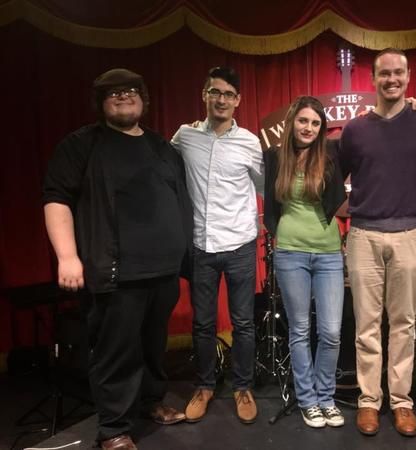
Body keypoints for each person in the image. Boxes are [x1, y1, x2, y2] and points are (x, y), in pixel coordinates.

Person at [42, 68, 193, 450]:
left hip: (163, 270)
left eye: (131, 91)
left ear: (143, 98)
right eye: (114, 93)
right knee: (115, 352)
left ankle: (151, 401)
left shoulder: (161, 147)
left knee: (154, 345)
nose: (124, 96)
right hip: (115, 271)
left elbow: (180, 201)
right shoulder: (82, 145)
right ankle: (113, 428)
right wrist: (67, 256)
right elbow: (57, 199)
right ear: (100, 102)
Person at [339, 48, 416, 437]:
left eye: (398, 73)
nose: (392, 79)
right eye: (384, 73)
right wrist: (347, 211)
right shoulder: (355, 129)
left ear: (409, 77)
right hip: (363, 234)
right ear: (373, 79)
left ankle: (401, 401)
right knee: (366, 324)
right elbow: (334, 177)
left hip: (409, 234)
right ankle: (369, 400)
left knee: (402, 323)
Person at [171, 66, 263, 424]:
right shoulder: (184, 136)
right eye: (215, 92)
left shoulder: (250, 142)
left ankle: (243, 387)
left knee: (243, 323)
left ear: (238, 100)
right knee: (203, 323)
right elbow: (164, 171)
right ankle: (205, 386)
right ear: (204, 95)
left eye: (228, 94)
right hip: (200, 245)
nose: (221, 99)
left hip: (240, 243)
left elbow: (265, 186)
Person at [263, 96, 347, 428]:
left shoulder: (329, 157)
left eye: (315, 123)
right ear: (292, 122)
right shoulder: (274, 157)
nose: (308, 128)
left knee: (331, 332)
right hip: (290, 252)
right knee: (299, 330)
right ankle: (308, 400)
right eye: (303, 121)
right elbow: (270, 206)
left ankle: (326, 398)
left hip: (328, 252)